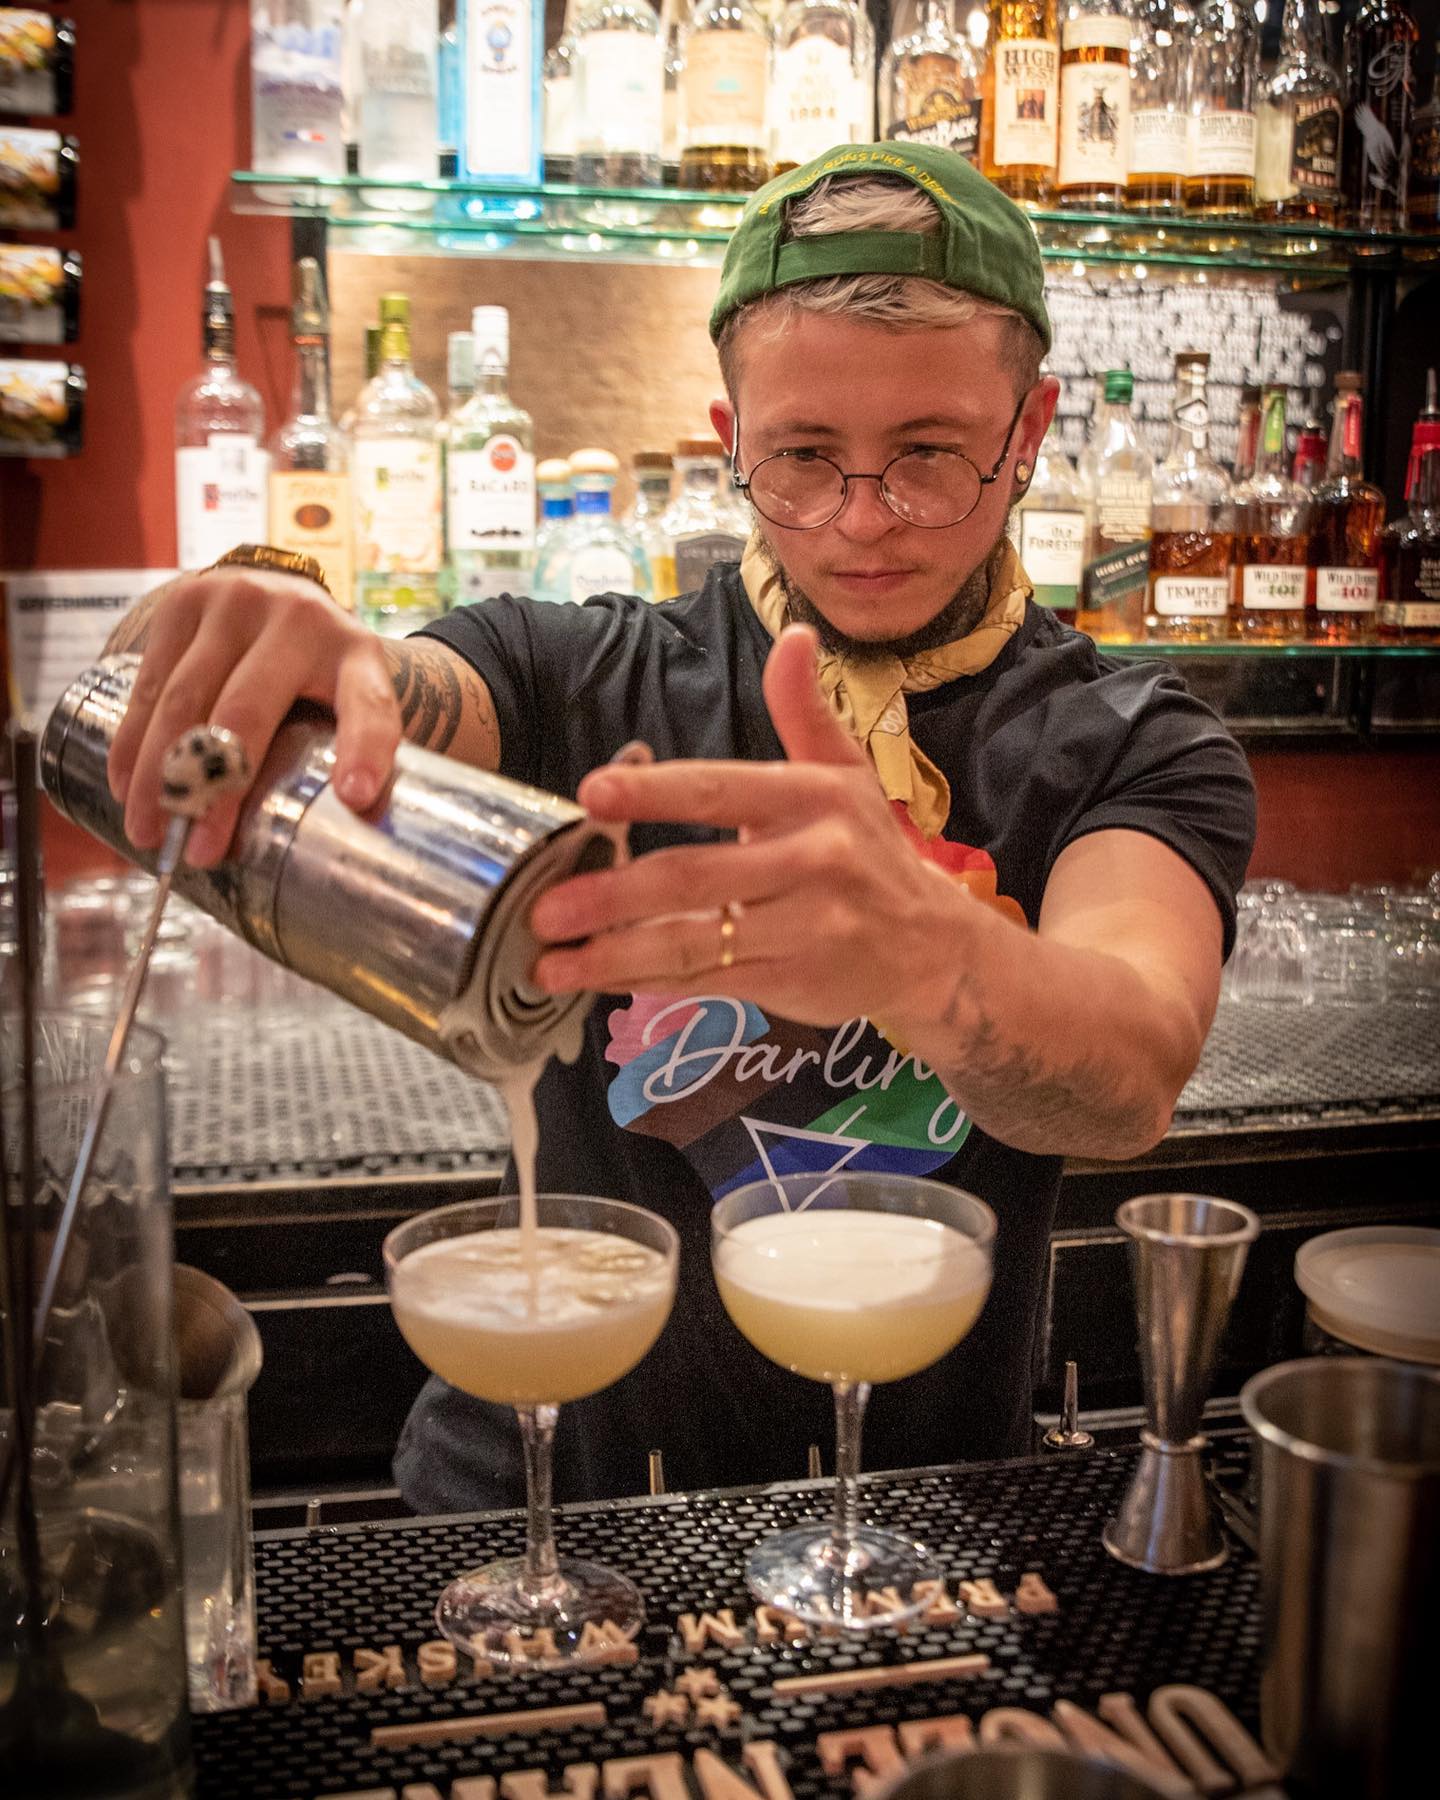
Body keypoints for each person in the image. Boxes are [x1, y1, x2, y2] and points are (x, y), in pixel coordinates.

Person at [105, 143, 1256, 1512]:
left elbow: (1129, 1073)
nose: (861, 518)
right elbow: (406, 695)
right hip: (541, 1499)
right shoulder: (570, 675)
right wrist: (288, 643)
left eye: (931, 456)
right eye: (803, 457)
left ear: (1031, 430)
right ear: (729, 442)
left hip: (915, 1518)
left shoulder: (1130, 737)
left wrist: (925, 954)